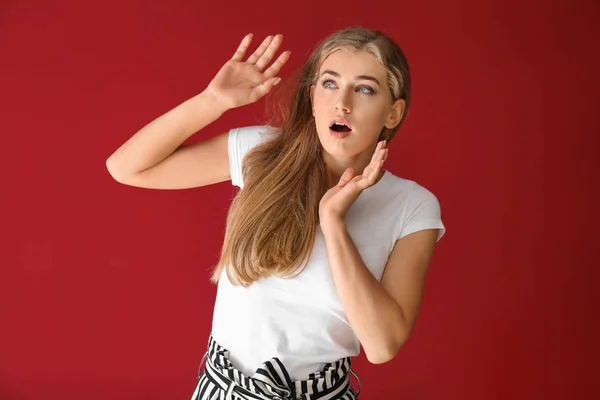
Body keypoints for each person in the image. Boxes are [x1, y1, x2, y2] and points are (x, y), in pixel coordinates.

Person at [106, 27, 446, 400]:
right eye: (330, 85)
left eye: (365, 89)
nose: (342, 103)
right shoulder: (263, 152)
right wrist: (212, 100)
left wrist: (332, 223)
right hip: (224, 390)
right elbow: (126, 168)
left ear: (393, 112)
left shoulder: (413, 206)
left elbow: (382, 346)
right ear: (313, 98)